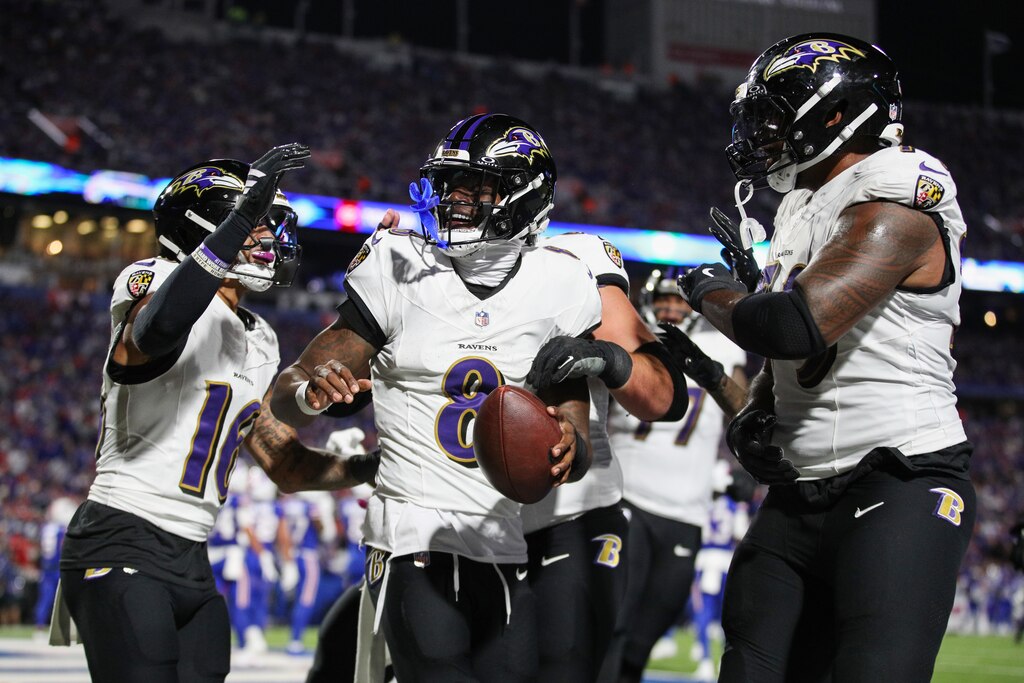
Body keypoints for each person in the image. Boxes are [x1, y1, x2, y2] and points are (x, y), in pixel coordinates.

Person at [678, 33, 975, 681]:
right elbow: (793, 364)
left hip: (897, 475)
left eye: (776, 115)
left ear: (836, 113)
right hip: (798, 492)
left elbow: (796, 323)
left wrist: (705, 288)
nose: (763, 133)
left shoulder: (902, 188)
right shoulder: (799, 207)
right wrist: (757, 409)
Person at [270, 113, 602, 683]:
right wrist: (311, 394)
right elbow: (287, 391)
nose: (455, 199)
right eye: (450, 184)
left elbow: (577, 446)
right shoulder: (403, 268)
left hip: (502, 538)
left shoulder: (563, 286)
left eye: (478, 186)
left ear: (523, 194)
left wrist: (567, 447)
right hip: (410, 530)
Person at [57, 146, 379, 683]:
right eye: (254, 222)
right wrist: (231, 231)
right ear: (207, 226)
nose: (268, 238)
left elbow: (286, 467)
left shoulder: (259, 335)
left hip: (192, 555)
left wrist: (371, 466)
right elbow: (157, 330)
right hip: (123, 534)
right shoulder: (149, 278)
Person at [518, 237, 691, 683]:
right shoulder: (425, 264)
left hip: (578, 509)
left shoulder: (577, 259)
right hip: (463, 516)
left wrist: (608, 357)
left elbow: (666, 397)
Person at [601, 269, 747, 683]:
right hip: (628, 495)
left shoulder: (723, 348)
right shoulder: (631, 335)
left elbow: (746, 412)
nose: (670, 308)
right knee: (616, 624)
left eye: (678, 301)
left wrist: (741, 469)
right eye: (664, 301)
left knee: (644, 636)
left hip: (687, 511)